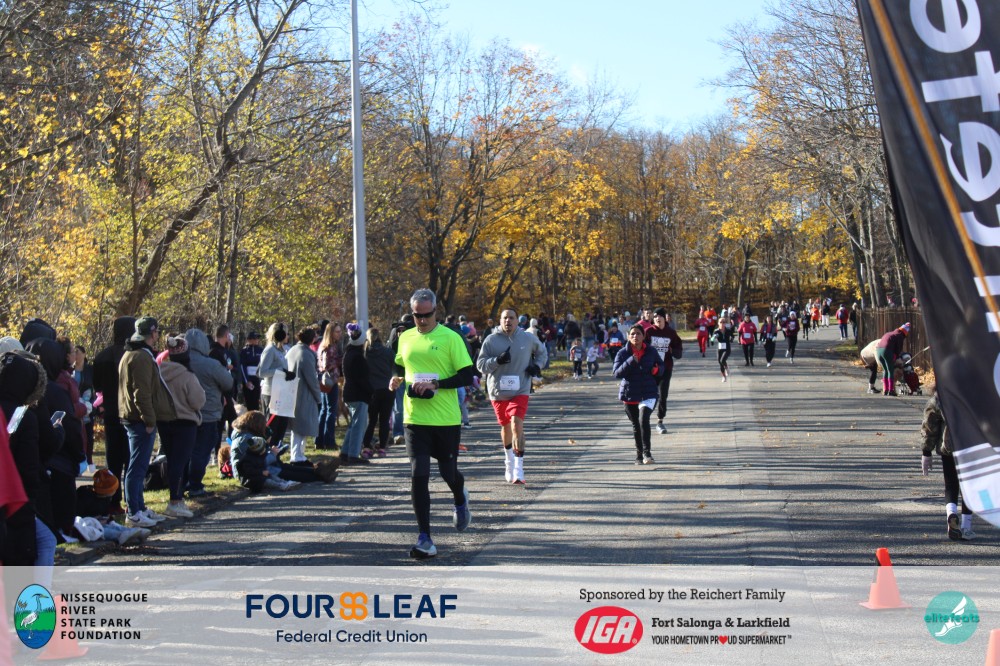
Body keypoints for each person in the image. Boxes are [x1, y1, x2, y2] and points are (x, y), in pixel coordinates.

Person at [389, 288, 474, 559]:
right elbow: (400, 365)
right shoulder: (405, 337)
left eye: (427, 315)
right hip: (415, 418)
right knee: (419, 474)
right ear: (412, 313)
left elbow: (467, 376)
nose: (422, 320)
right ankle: (425, 538)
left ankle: (460, 498)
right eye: (417, 315)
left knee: (449, 474)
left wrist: (436, 384)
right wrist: (396, 378)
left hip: (445, 419)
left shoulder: (451, 338)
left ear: (435, 311)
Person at [476, 308, 547, 484]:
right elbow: (480, 365)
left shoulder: (527, 338)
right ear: (500, 321)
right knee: (506, 426)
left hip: (520, 389)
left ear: (517, 321)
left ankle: (519, 468)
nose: (508, 321)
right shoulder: (491, 340)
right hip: (498, 391)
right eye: (505, 318)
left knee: (516, 424)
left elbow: (542, 352)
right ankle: (509, 461)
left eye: (511, 318)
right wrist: (497, 361)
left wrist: (536, 366)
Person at [117, 317, 174, 528]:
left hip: (134, 417)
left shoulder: (133, 353)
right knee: (138, 466)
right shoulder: (140, 356)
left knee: (139, 465)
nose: (158, 335)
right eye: (156, 331)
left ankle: (139, 507)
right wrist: (149, 420)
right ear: (152, 333)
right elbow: (141, 392)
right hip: (139, 419)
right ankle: (133, 511)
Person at [156, 336, 206, 519]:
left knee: (171, 459)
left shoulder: (159, 372)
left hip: (163, 421)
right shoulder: (187, 376)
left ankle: (176, 497)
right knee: (180, 461)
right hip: (185, 423)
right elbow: (198, 401)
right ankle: (175, 500)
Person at [230, 411, 338, 493]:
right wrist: (272, 454)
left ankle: (319, 470)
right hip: (253, 472)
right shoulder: (245, 439)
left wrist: (273, 451)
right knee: (290, 473)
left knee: (290, 468)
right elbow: (253, 461)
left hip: (263, 467)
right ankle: (320, 473)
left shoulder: (247, 435)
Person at [184, 327, 234, 498]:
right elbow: (228, 382)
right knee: (202, 450)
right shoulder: (210, 364)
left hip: (184, 413)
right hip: (208, 413)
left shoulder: (179, 363)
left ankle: (183, 483)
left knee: (186, 451)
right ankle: (195, 485)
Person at [93, 316, 135, 514]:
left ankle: (113, 500)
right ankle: (131, 500)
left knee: (113, 459)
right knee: (130, 458)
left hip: (111, 411)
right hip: (130, 413)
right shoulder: (133, 355)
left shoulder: (103, 356)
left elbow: (97, 385)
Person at [920, 392, 975, 540]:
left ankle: (951, 513)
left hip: (949, 447)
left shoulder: (941, 395)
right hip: (971, 447)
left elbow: (930, 425)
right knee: (968, 486)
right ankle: (967, 527)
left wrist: (926, 451)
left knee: (950, 485)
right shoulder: (977, 392)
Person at [612, 325, 665, 464]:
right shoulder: (622, 353)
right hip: (630, 393)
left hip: (648, 392)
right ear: (628, 336)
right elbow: (616, 373)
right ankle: (639, 455)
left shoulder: (651, 351)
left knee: (643, 419)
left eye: (638, 334)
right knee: (636, 424)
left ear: (643, 336)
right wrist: (630, 361)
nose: (635, 336)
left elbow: (661, 366)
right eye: (632, 334)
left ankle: (647, 454)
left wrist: (656, 370)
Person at [284, 327, 322, 465]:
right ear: (312, 339)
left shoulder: (292, 350)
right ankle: (297, 455)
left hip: (291, 392)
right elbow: (312, 378)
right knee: (302, 426)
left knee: (297, 427)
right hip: (304, 394)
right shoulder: (306, 354)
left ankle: (298, 454)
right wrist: (318, 397)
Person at [643, 309, 683, 434]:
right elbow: (641, 347)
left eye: (660, 316)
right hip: (651, 369)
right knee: (649, 394)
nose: (657, 319)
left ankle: (660, 421)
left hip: (665, 368)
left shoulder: (671, 333)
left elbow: (678, 351)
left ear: (665, 318)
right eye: (655, 317)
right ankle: (644, 418)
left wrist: (672, 351)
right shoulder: (648, 332)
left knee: (663, 395)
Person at [340, 322, 372, 465]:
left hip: (349, 393)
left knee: (354, 424)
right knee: (359, 425)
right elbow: (361, 379)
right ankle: (353, 454)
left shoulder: (348, 354)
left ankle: (345, 452)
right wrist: (371, 391)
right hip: (358, 394)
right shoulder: (358, 357)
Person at [363, 327, 395, 458]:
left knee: (371, 420)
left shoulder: (365, 353)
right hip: (387, 389)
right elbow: (393, 367)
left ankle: (366, 447)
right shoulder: (388, 352)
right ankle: (382, 448)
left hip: (371, 390)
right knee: (384, 420)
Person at [258, 322, 290, 446]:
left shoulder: (282, 350)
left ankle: (276, 452)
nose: (287, 336)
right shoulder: (270, 350)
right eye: (286, 333)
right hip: (271, 393)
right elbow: (262, 372)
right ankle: (267, 451)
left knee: (282, 426)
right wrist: (281, 371)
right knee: (272, 427)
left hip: (281, 392)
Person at [315, 322, 343, 450]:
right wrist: (339, 360)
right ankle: (329, 441)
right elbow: (326, 365)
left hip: (324, 381)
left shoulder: (322, 345)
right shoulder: (329, 347)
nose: (339, 334)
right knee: (331, 411)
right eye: (337, 331)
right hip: (330, 380)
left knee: (324, 410)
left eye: (340, 331)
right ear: (331, 333)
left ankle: (319, 440)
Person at [875, 322, 910, 396]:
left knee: (885, 370)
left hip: (878, 351)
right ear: (904, 333)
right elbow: (898, 350)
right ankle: (891, 390)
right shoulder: (899, 336)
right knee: (890, 371)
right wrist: (897, 358)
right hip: (886, 351)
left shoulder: (889, 333)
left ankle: (885, 390)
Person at [240, 331, 264, 411]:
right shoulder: (244, 351)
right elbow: (242, 366)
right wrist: (246, 381)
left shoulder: (261, 350)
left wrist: (262, 379)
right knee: (249, 402)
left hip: (258, 379)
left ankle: (256, 417)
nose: (257, 340)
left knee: (256, 401)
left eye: (257, 338)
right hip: (248, 379)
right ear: (249, 340)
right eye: (255, 338)